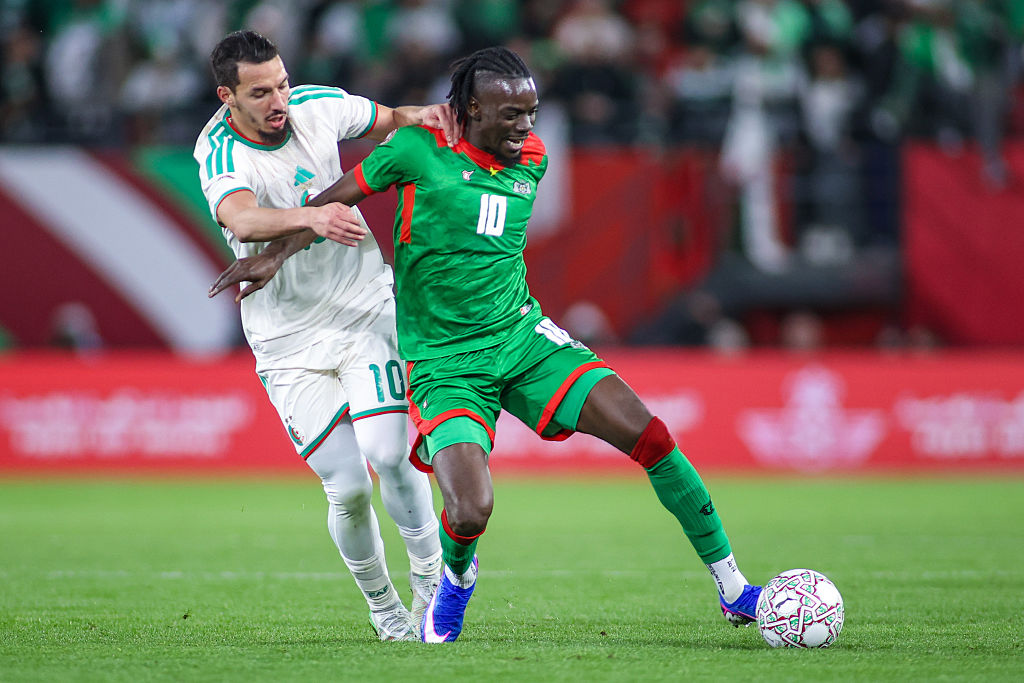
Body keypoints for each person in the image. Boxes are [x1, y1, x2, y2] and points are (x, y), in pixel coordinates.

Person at [209, 46, 761, 644]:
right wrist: (273, 256)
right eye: (511, 115)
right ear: (472, 110)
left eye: (531, 112)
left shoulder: (534, 158)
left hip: (522, 337)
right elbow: (331, 201)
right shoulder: (415, 152)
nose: (526, 128)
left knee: (649, 434)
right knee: (470, 510)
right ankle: (455, 577)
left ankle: (733, 587)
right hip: (444, 362)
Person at [195, 30, 461, 642]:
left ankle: (430, 581)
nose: (278, 101)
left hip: (363, 309)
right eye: (260, 93)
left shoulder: (317, 105)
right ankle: (383, 607)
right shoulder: (219, 149)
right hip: (285, 339)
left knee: (390, 455)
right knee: (346, 487)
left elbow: (389, 118)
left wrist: (421, 114)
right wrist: (313, 215)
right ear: (227, 96)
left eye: (282, 84)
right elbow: (241, 217)